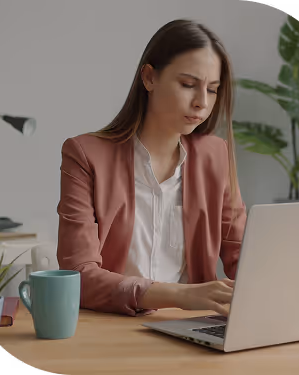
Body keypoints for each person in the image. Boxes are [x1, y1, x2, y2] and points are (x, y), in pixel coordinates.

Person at [57, 19, 247, 318]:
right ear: (149, 78)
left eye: (212, 90)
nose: (201, 102)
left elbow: (245, 256)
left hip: (190, 329)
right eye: (188, 85)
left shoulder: (215, 155)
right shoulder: (85, 155)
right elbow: (78, 275)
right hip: (112, 326)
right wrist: (180, 295)